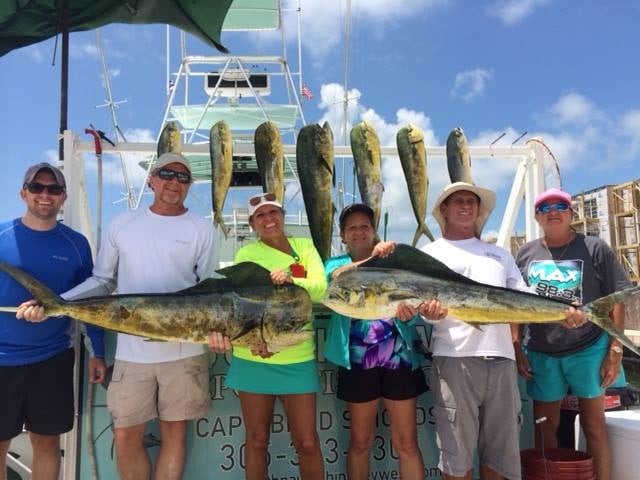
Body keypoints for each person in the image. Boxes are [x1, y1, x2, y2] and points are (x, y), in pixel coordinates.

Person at [18, 152, 215, 480]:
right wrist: (56, 304)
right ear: (151, 179)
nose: (173, 182)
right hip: (131, 353)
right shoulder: (122, 223)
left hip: (185, 352)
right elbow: (102, 281)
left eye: (183, 178)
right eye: (167, 173)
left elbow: (208, 291)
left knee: (175, 433)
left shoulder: (202, 228)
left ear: (189, 186)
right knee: (125, 435)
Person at [513, 188, 630, 480]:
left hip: (589, 349)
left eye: (560, 206)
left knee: (593, 426)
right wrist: (516, 347)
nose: (553, 211)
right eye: (545, 207)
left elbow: (615, 300)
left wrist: (615, 351)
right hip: (541, 351)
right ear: (537, 216)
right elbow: (514, 305)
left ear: (571, 213)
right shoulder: (525, 253)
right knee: (543, 426)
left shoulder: (595, 247)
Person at [208, 192, 327, 480]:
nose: (268, 219)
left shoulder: (305, 246)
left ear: (283, 216)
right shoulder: (246, 255)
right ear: (252, 223)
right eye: (260, 215)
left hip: (297, 359)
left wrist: (292, 281)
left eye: (273, 212)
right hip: (254, 357)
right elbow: (238, 308)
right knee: (257, 439)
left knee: (307, 442)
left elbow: (322, 289)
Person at [1, 162, 105, 480]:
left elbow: (90, 302)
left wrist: (98, 351)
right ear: (23, 193)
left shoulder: (76, 245)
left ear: (63, 197)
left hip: (53, 359)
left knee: (48, 444)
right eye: (37, 187)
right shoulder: (2, 235)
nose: (45, 194)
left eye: (54, 189)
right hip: (2, 361)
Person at [416, 182, 527, 480]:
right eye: (458, 201)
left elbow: (522, 298)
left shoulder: (499, 254)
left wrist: (563, 311)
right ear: (445, 210)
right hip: (455, 360)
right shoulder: (429, 254)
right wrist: (430, 315)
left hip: (502, 361)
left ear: (479, 211)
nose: (466, 206)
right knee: (457, 459)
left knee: (500, 459)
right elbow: (423, 308)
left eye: (472, 202)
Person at [324, 203, 427, 480]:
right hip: (357, 365)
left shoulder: (394, 263)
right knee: (361, 443)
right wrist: (372, 260)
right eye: (352, 227)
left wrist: (407, 318)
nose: (359, 231)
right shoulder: (334, 264)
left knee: (407, 443)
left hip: (400, 361)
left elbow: (412, 314)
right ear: (343, 235)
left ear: (374, 231)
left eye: (365, 226)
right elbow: (335, 280)